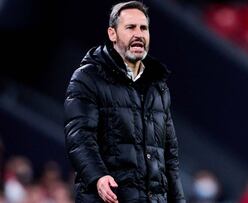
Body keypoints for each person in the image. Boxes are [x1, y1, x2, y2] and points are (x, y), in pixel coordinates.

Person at [63, 1, 185, 202]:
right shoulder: (88, 78)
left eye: (143, 28)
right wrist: (98, 177)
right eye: (130, 27)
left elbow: (169, 157)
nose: (138, 34)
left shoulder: (158, 87)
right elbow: (79, 137)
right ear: (112, 34)